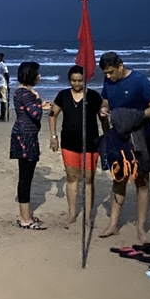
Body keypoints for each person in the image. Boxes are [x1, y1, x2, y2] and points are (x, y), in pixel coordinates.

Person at [97, 51, 150, 242]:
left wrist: (134, 117)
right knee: (118, 177)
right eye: (105, 74)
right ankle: (113, 224)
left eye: (111, 72)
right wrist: (104, 109)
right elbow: (106, 100)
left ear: (120, 66)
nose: (108, 76)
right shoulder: (108, 81)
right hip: (119, 136)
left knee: (142, 181)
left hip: (142, 136)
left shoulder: (139, 80)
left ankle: (141, 228)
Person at [48, 65, 106, 226]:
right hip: (69, 143)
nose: (77, 83)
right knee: (72, 178)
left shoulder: (93, 96)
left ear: (85, 80)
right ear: (69, 80)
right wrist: (53, 136)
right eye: (73, 80)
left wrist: (107, 137)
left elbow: (102, 118)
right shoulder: (63, 95)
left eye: (80, 80)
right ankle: (72, 213)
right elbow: (52, 114)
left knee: (88, 179)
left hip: (91, 143)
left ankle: (87, 216)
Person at [11, 61, 53, 229]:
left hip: (25, 135)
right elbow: (35, 113)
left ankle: (26, 216)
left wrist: (38, 102)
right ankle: (25, 219)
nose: (40, 76)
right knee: (26, 177)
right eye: (37, 73)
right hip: (25, 137)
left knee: (26, 176)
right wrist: (39, 101)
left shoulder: (23, 91)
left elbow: (31, 109)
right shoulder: (25, 92)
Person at [0, 53, 10, 121]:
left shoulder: (3, 65)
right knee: (1, 100)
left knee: (3, 100)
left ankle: (3, 117)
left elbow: (6, 75)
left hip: (2, 85)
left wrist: (7, 84)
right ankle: (2, 116)